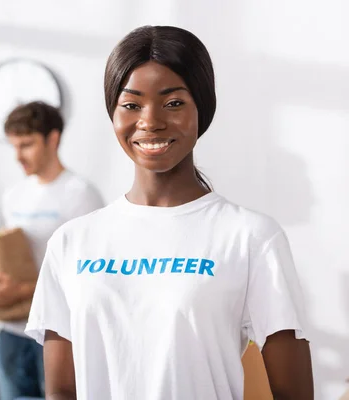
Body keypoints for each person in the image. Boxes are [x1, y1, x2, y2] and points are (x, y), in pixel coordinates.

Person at [24, 26, 314, 400]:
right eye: (131, 104)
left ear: (202, 108)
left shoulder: (250, 236)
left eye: (173, 102)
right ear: (113, 113)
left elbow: (294, 393)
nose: (150, 121)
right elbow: (62, 390)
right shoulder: (71, 242)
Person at [0, 101, 104, 400]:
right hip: (11, 333)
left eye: (27, 145)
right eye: (14, 146)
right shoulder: (13, 195)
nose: (18, 156)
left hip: (57, 334)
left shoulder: (82, 196)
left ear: (53, 138)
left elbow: (89, 278)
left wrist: (20, 290)